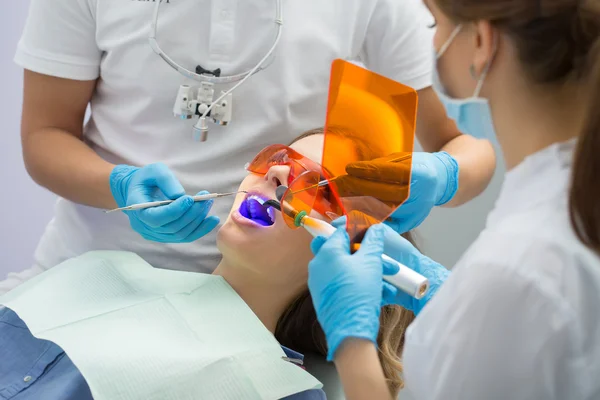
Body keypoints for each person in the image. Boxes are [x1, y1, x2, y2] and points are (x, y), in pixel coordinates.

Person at [0, 0, 497, 294]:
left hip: (265, 304)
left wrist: (445, 173)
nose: (276, 176)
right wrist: (117, 187)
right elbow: (45, 135)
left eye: (297, 170)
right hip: (86, 275)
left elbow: (457, 142)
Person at [307, 0, 600, 399]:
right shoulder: (561, 212)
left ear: (482, 40)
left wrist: (352, 344)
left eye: (434, 23)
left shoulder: (517, 274)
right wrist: (447, 291)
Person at [0, 129, 418, 399]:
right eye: (282, 158)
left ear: (352, 256)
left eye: (320, 190)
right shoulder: (103, 270)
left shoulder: (281, 390)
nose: (276, 174)